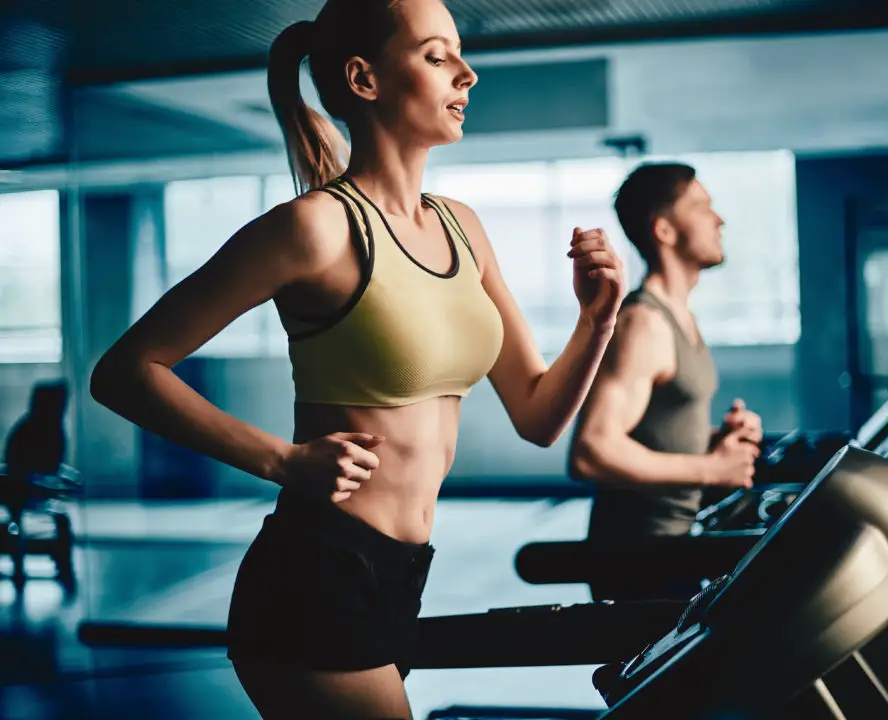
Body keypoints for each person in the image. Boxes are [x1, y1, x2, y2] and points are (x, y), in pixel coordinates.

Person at [88, 0, 625, 717]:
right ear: (364, 79)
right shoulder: (313, 230)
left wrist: (598, 320)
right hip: (317, 570)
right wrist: (281, 461)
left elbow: (538, 415)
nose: (467, 74)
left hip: (403, 571)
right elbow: (126, 370)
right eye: (437, 56)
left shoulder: (464, 227)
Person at [568, 163, 762, 597]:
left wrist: (717, 442)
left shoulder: (678, 315)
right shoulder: (644, 323)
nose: (719, 220)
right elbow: (592, 450)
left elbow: (655, 431)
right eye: (701, 207)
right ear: (665, 230)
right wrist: (712, 468)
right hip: (640, 560)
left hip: (673, 544)